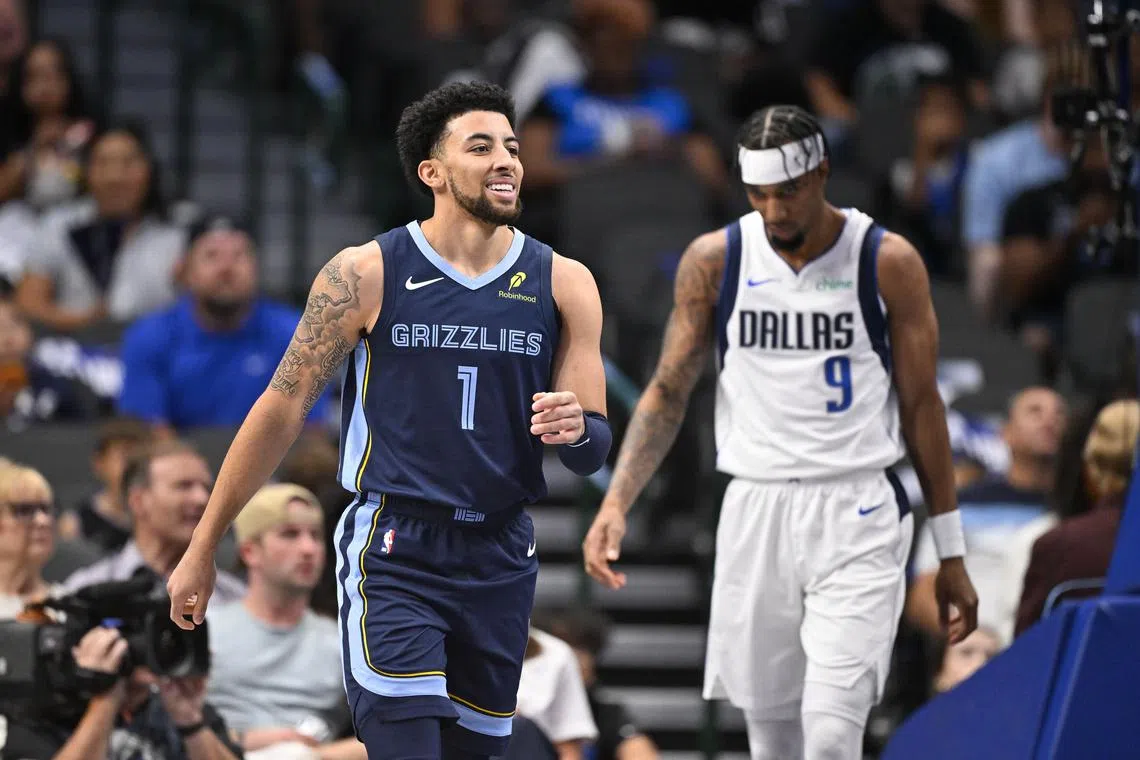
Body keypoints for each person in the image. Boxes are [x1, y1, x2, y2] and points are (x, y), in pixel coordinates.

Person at [166, 81, 609, 760]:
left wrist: (577, 429)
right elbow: (280, 409)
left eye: (513, 148)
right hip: (398, 546)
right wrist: (203, 544)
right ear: (432, 171)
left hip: (501, 551)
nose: (508, 162)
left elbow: (591, 447)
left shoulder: (563, 281)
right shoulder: (366, 272)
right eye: (482, 146)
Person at [582, 104, 978, 760]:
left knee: (830, 734)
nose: (774, 211)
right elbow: (667, 390)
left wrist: (952, 551)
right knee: (773, 742)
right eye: (758, 194)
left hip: (856, 505)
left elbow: (922, 406)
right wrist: (617, 502)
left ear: (822, 174)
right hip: (755, 504)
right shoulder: (716, 259)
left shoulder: (887, 260)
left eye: (788, 191)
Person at [207, 483, 365, 759]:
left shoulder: (344, 641)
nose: (308, 548)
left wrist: (306, 755)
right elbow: (173, 722)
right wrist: (253, 742)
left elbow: (387, 736)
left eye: (315, 536)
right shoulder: (207, 629)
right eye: (289, 534)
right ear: (249, 552)